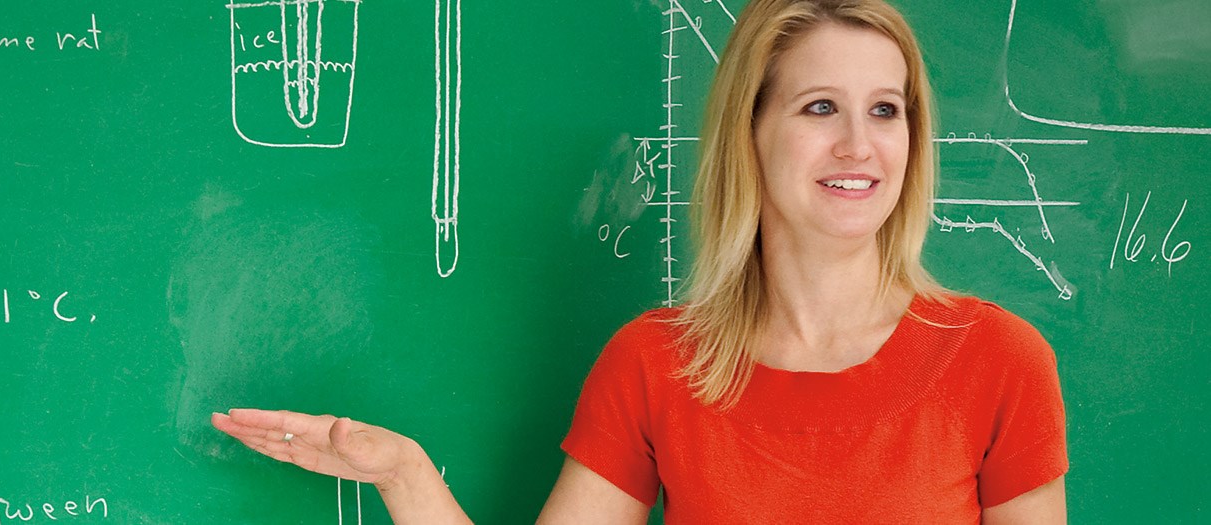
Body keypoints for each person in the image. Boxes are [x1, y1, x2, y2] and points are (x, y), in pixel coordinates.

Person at [211, 0, 1068, 522]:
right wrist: (403, 475)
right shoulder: (658, 366)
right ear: (751, 133)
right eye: (819, 106)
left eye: (886, 109)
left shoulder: (998, 363)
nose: (860, 144)